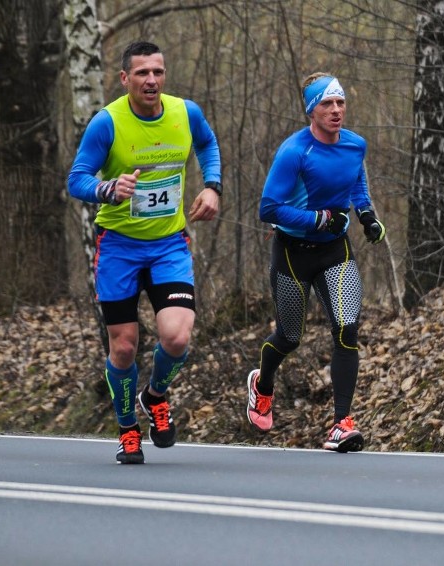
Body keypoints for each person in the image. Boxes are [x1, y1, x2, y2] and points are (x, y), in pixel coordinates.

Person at [68, 41, 222, 464]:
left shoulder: (184, 113)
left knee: (176, 336)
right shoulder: (108, 123)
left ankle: (154, 395)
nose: (151, 80)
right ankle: (127, 428)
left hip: (169, 245)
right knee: (124, 348)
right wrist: (107, 189)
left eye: (157, 72)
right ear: (125, 79)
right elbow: (76, 179)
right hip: (117, 247)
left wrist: (212, 186)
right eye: (141, 73)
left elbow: (207, 144)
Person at [246, 72, 386, 453]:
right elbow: (268, 208)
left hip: (334, 252)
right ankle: (263, 384)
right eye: (327, 104)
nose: (336, 110)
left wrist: (367, 215)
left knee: (347, 329)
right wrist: (320, 219)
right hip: (292, 253)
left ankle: (342, 423)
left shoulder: (356, 145)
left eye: (340, 102)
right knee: (290, 337)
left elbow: (356, 182)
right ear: (311, 109)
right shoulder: (294, 151)